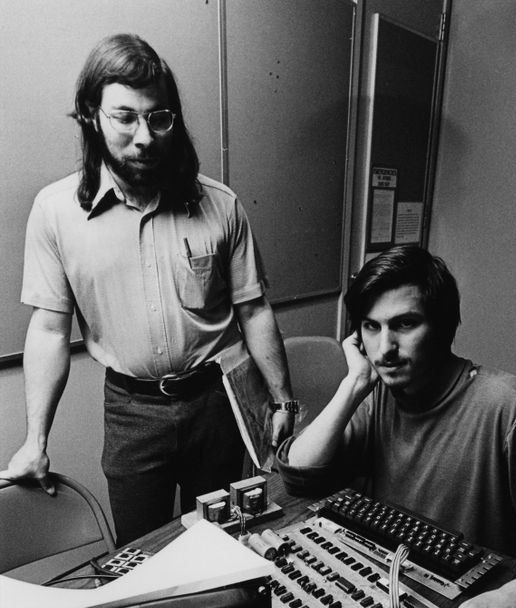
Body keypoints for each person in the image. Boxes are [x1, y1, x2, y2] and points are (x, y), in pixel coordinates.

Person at [0, 34, 297, 545]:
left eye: (159, 118)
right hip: (132, 414)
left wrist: (283, 402)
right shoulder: (55, 212)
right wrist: (36, 440)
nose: (145, 137)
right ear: (92, 115)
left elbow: (253, 310)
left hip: (216, 403)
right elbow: (50, 328)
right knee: (145, 557)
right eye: (125, 117)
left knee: (226, 547)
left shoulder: (220, 205)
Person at [277, 246, 516, 608]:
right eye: (370, 328)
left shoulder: (508, 406)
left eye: (405, 324)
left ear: (443, 326)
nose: (384, 349)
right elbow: (301, 475)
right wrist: (354, 383)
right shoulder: (376, 394)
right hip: (392, 595)